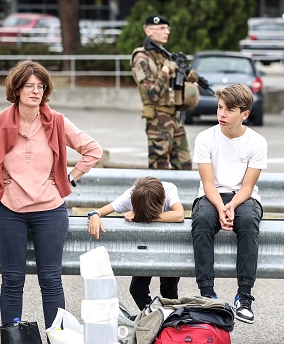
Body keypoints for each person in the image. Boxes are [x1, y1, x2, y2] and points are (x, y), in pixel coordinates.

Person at [0, 60, 103, 344]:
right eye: (29, 86)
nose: (36, 91)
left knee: (51, 280)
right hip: (8, 210)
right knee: (12, 279)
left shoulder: (56, 121)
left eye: (40, 86)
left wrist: (69, 178)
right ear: (16, 89)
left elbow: (93, 149)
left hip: (50, 210)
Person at [191, 83, 267, 325]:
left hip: (243, 197)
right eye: (220, 108)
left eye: (229, 110)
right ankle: (207, 295)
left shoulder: (257, 142)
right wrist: (221, 207)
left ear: (244, 114)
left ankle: (244, 297)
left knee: (247, 220)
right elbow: (208, 183)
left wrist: (231, 206)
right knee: (202, 219)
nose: (222, 114)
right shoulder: (205, 138)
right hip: (211, 195)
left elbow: (247, 187)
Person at [87, 176, 185, 310]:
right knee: (137, 289)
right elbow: (101, 211)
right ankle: (153, 317)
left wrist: (143, 216)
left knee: (168, 290)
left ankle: (172, 322)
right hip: (146, 246)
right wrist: (94, 215)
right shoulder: (131, 194)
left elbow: (179, 215)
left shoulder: (168, 189)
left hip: (168, 245)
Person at [130, 14, 198, 170]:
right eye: (161, 28)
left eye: (167, 28)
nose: (166, 32)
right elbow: (151, 94)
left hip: (174, 118)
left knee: (185, 165)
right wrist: (166, 71)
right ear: (148, 31)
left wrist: (188, 79)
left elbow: (172, 89)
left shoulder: (164, 56)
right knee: (159, 167)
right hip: (158, 120)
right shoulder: (141, 58)